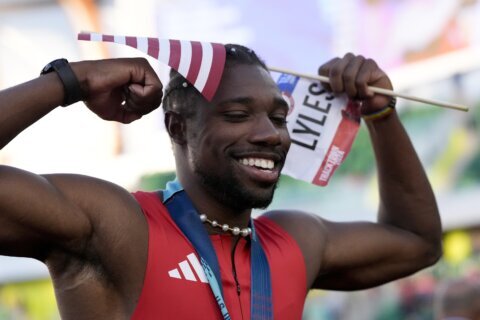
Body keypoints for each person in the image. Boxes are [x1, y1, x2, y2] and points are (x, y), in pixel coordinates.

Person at [0, 45, 442, 319]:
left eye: (278, 117)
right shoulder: (118, 226)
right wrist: (68, 81)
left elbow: (416, 241)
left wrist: (381, 114)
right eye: (236, 115)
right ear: (177, 128)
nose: (270, 134)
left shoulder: (294, 242)